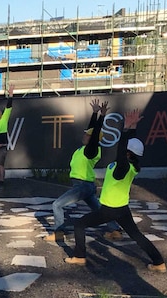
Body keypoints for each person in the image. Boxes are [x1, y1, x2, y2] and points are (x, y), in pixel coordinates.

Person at [64, 109, 166, 272]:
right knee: (136, 235)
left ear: (127, 153)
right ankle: (158, 262)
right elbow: (129, 147)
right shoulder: (130, 165)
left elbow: (122, 150)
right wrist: (132, 128)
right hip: (122, 208)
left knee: (79, 224)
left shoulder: (123, 168)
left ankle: (79, 256)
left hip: (110, 209)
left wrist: (125, 130)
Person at [44, 99, 121, 242]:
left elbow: (95, 132)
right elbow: (92, 129)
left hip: (83, 186)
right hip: (86, 186)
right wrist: (94, 113)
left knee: (57, 205)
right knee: (99, 211)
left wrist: (102, 116)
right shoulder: (85, 149)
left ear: (92, 139)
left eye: (87, 135)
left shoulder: (92, 150)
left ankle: (59, 233)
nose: (84, 135)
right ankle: (115, 230)